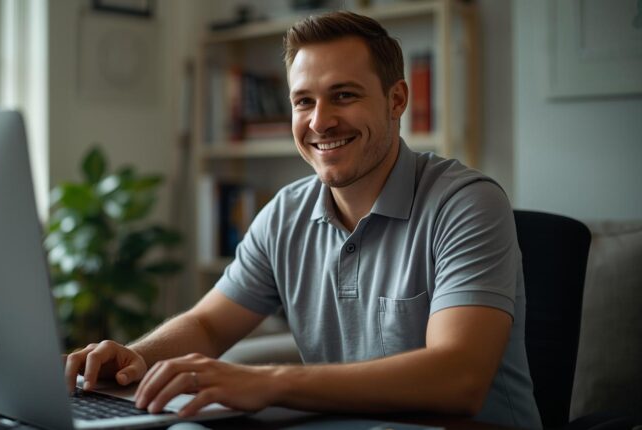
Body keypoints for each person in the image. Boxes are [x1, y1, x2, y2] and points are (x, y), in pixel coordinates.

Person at [64, 11, 542, 429]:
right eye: (303, 101)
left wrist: (270, 382)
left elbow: (458, 379)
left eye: (344, 95)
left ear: (396, 100)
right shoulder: (285, 213)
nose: (319, 121)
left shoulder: (466, 203)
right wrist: (134, 358)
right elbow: (208, 326)